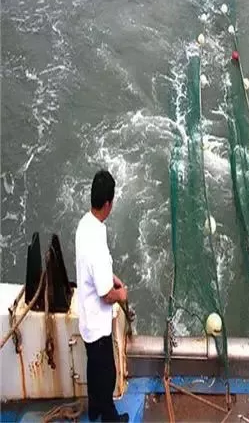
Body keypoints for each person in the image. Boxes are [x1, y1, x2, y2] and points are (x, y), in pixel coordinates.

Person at [76, 170, 129, 422]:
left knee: (93, 368)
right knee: (107, 375)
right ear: (108, 203)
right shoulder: (96, 243)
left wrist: (111, 276)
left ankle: (94, 408)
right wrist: (121, 293)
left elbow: (94, 270)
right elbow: (106, 295)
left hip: (86, 319)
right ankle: (110, 418)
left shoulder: (85, 224)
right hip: (97, 327)